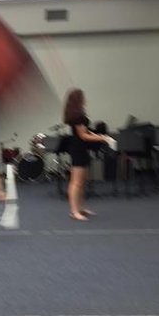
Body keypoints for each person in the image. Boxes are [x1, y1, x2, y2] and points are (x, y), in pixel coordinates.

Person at [62, 89, 112, 221]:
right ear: (78, 99)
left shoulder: (78, 114)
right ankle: (74, 211)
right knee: (76, 182)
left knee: (82, 181)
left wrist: (99, 135)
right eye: (83, 97)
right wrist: (103, 139)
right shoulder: (77, 115)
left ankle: (81, 208)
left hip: (81, 150)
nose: (85, 99)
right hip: (78, 150)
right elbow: (83, 135)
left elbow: (87, 131)